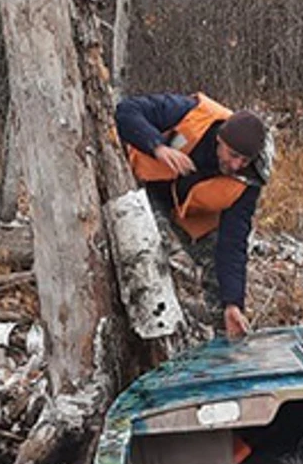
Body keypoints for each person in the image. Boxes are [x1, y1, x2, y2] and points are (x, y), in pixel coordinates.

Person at [115, 93, 271, 339]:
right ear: (219, 139)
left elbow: (233, 244)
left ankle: (227, 338)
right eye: (232, 155)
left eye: (244, 159)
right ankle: (141, 332)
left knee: (218, 266)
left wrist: (233, 303)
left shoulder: (248, 181)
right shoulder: (191, 112)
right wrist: (158, 147)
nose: (236, 165)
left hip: (189, 209)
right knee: (152, 246)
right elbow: (126, 111)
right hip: (142, 185)